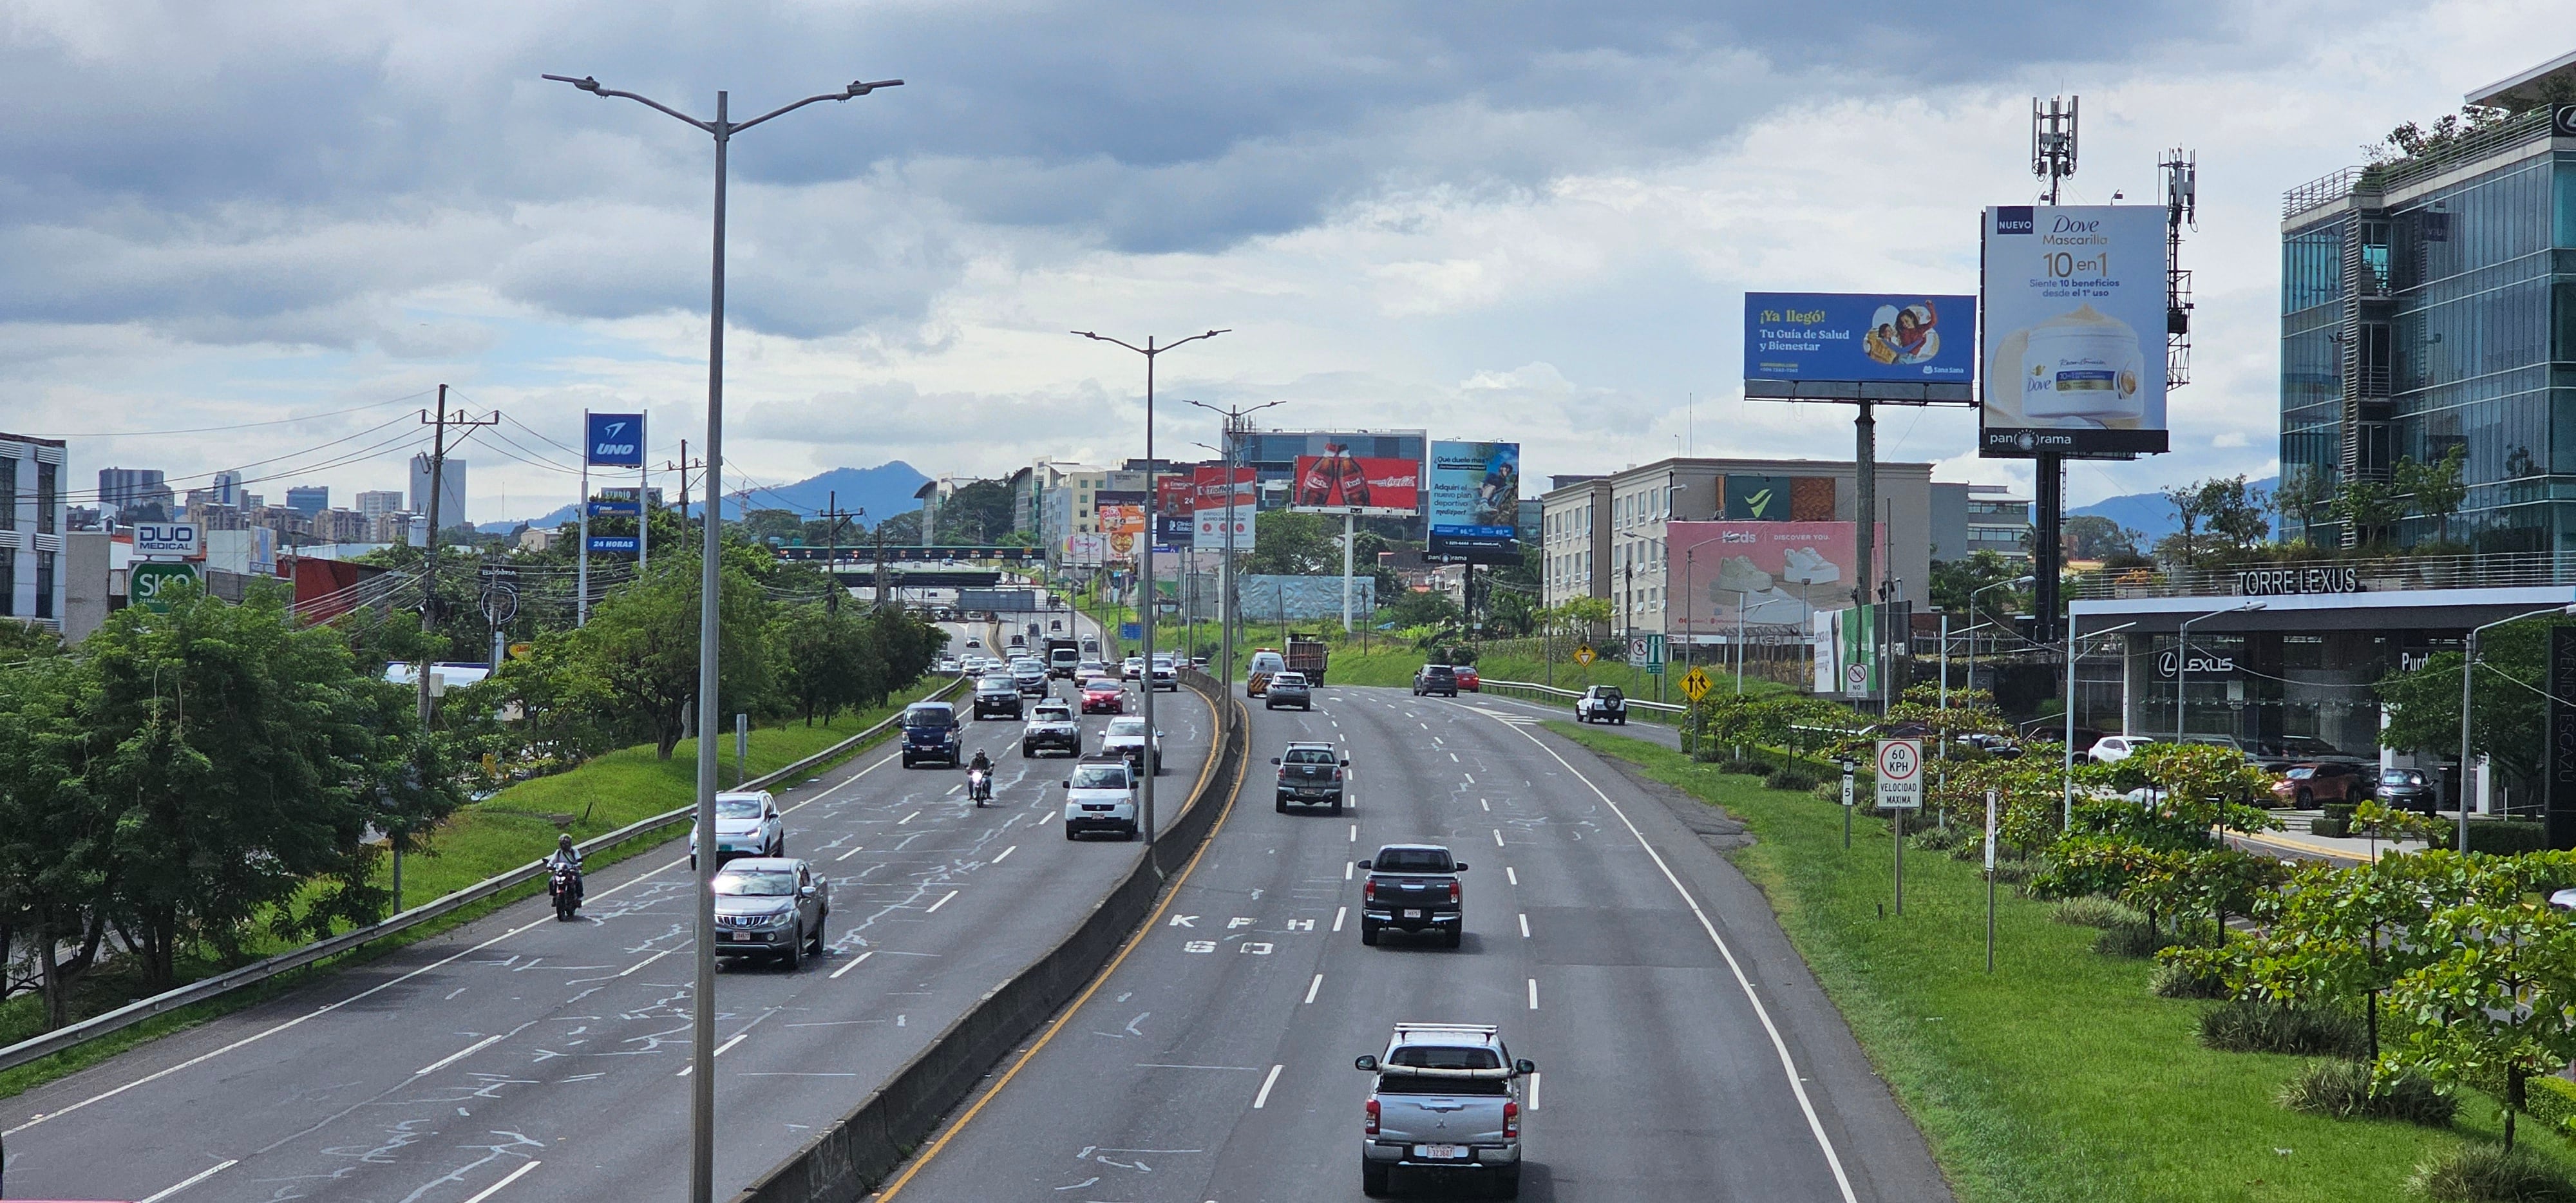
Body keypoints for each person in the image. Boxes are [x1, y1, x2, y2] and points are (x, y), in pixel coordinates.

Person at [546, 833, 583, 904]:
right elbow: (552, 861)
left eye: (566, 844)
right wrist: (549, 865)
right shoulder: (559, 852)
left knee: (578, 881)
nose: (564, 845)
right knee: (551, 881)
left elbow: (579, 860)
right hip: (561, 872)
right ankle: (554, 896)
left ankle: (579, 897)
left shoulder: (574, 851)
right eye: (563, 844)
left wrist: (578, 865)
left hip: (572, 871)